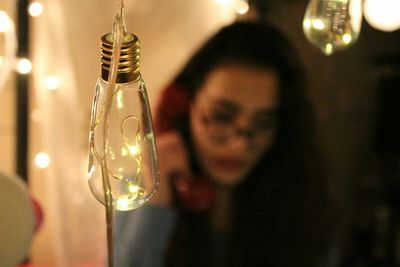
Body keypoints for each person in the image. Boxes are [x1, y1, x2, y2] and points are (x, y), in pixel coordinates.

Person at [114, 20, 334, 267]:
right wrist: (158, 195)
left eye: (263, 123)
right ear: (184, 104)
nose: (239, 145)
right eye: (222, 116)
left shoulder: (302, 205)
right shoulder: (139, 192)